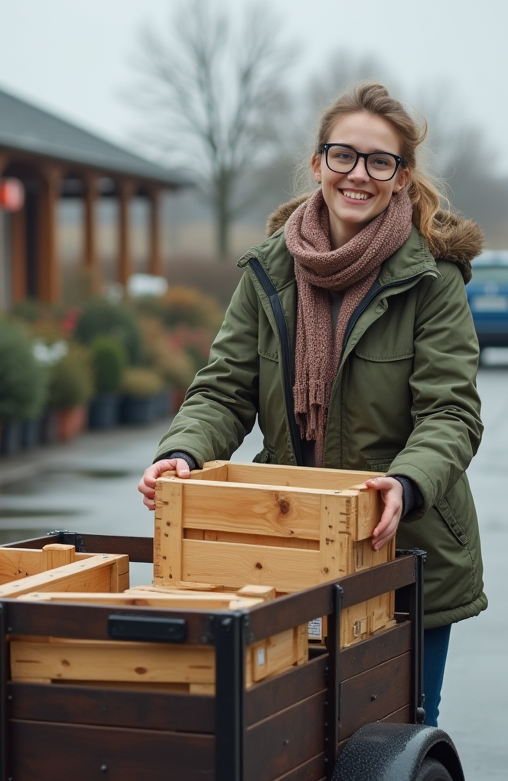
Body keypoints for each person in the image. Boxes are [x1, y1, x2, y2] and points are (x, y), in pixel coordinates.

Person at [136, 82, 485, 728]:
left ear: (402, 177)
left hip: (403, 546)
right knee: (287, 735)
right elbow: (224, 388)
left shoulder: (432, 280)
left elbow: (451, 414)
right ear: (319, 163)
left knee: (391, 736)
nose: (360, 174)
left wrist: (406, 484)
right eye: (344, 155)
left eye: (381, 161)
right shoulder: (268, 272)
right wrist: (181, 453)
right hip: (284, 544)